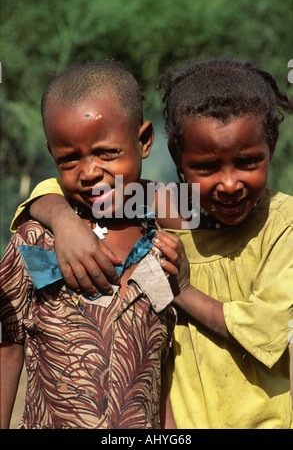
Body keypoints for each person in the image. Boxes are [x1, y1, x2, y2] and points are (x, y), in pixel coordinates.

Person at [7, 57, 293, 428]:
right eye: (206, 167)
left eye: (247, 162)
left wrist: (182, 290)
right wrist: (62, 219)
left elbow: (264, 328)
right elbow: (63, 185)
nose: (228, 184)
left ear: (270, 149)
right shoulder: (184, 208)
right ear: (180, 161)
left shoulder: (267, 220)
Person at [0, 61, 183, 429]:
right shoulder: (37, 244)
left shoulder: (163, 247)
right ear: (52, 153)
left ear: (144, 141)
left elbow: (161, 372)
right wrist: (61, 216)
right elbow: (6, 350)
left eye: (107, 153)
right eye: (69, 159)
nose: (89, 172)